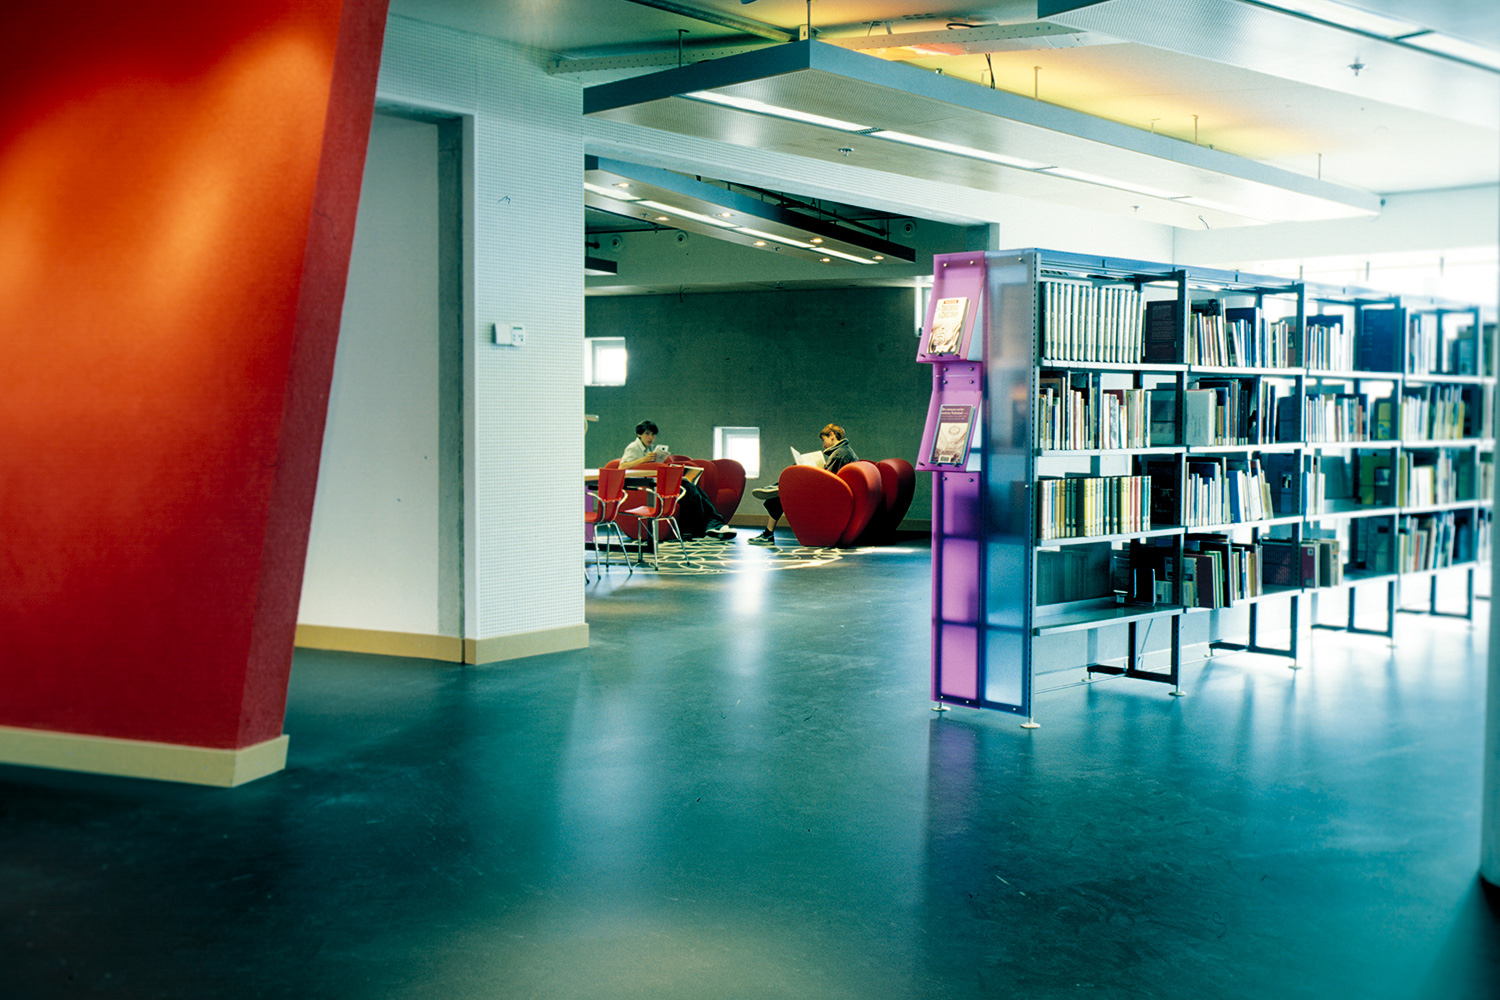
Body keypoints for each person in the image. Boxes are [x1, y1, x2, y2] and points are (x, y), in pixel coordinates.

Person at [618, 421, 736, 541]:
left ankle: (714, 524)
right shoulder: (633, 447)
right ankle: (705, 527)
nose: (651, 437)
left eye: (653, 434)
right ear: (639, 434)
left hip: (655, 481)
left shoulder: (649, 448)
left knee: (696, 489)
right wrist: (643, 460)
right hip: (648, 485)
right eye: (647, 434)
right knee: (689, 489)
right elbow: (622, 466)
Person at [748, 424, 857, 545]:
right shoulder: (844, 451)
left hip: (827, 497)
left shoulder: (839, 454)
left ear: (832, 435)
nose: (823, 445)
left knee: (786, 486)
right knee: (779, 496)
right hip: (834, 494)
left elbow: (828, 481)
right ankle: (780, 489)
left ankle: (779, 489)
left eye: (823, 440)